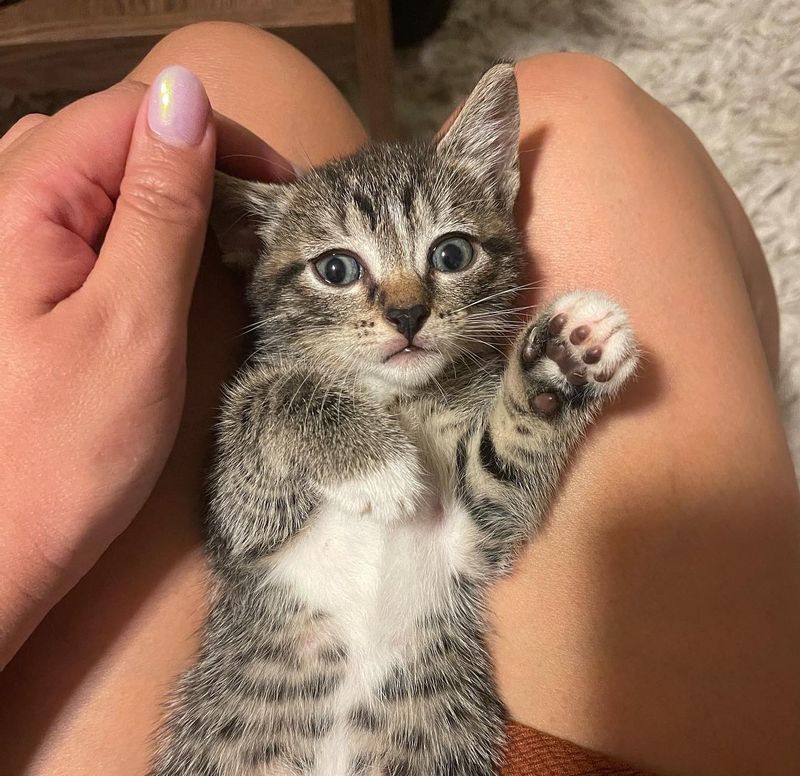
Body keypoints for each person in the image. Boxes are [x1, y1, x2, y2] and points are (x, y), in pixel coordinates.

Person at [0, 22, 798, 776]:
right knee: (588, 101)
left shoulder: (461, 385)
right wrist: (304, 417)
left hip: (413, 730)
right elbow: (250, 525)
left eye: (448, 253)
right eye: (340, 270)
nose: (406, 304)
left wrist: (535, 401)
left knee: (232, 58)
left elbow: (481, 536)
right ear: (248, 246)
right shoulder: (275, 400)